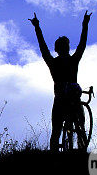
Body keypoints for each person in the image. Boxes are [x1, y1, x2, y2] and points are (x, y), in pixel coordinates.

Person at [29, 10, 91, 150]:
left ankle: (58, 153)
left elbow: (44, 48)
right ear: (61, 49)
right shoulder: (70, 60)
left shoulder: (59, 61)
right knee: (68, 128)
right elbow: (82, 45)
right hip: (65, 98)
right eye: (64, 47)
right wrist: (85, 25)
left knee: (61, 130)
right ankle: (76, 150)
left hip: (65, 99)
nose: (66, 49)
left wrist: (37, 27)